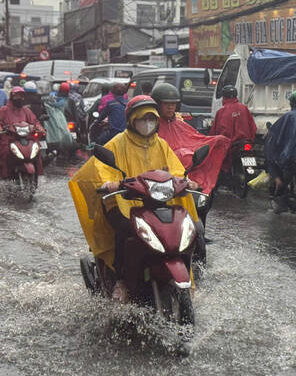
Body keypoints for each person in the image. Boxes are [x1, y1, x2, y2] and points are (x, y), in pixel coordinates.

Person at [68, 95, 200, 301]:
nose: (147, 123)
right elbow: (102, 167)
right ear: (132, 120)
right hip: (124, 202)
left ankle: (186, 274)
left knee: (190, 227)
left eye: (151, 118)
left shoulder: (161, 144)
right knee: (125, 230)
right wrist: (109, 182)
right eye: (142, 118)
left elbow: (176, 169)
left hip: (158, 201)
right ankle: (121, 279)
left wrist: (186, 181)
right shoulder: (118, 143)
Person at [153, 83, 229, 196]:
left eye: (173, 104)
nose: (170, 107)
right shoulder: (151, 127)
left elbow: (195, 139)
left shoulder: (178, 123)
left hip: (184, 180)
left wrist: (217, 140)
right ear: (158, 105)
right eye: (166, 104)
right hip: (159, 177)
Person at [0, 86, 45, 179]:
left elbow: (35, 122)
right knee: (4, 152)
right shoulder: (4, 110)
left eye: (21, 96)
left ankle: (38, 173)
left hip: (26, 139)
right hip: (9, 139)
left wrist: (39, 128)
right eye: (17, 96)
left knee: (37, 149)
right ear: (12, 97)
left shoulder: (26, 111)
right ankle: (3, 175)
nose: (19, 98)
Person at [211, 85, 257, 169]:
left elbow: (215, 132)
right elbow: (253, 127)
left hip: (229, 147)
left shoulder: (221, 111)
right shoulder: (244, 108)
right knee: (250, 167)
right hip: (245, 143)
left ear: (224, 97)